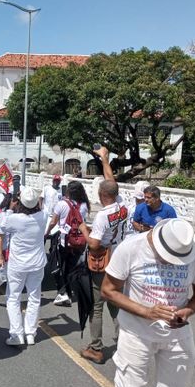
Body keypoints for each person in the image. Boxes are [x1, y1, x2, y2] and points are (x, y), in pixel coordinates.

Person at [101, 218, 195, 387]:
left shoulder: (192, 251)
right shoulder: (131, 248)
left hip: (177, 334)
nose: (172, 262)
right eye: (168, 257)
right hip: (136, 333)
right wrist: (147, 312)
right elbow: (108, 290)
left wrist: (188, 310)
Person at [78, 146, 128, 364]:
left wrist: (83, 231)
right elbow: (111, 182)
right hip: (120, 261)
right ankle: (124, 343)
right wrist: (105, 159)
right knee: (116, 304)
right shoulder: (122, 205)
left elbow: (95, 245)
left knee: (96, 307)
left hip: (104, 264)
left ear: (101, 195)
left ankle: (96, 348)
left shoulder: (102, 216)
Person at [1, 186, 48, 346]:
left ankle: (17, 334)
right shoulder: (43, 216)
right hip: (37, 263)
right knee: (34, 298)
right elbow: (42, 205)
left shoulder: (14, 219)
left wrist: (9, 209)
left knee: (13, 297)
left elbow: (1, 225)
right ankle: (30, 333)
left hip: (18, 264)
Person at [45, 181, 90, 306]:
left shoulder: (62, 204)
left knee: (59, 266)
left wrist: (47, 232)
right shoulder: (84, 205)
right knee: (72, 266)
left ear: (68, 191)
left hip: (65, 239)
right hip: (78, 240)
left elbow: (54, 222)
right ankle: (68, 291)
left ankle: (64, 292)